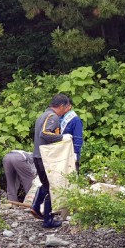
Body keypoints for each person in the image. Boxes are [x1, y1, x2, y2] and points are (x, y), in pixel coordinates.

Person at [31, 93, 72, 228]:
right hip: (45, 158)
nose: (66, 111)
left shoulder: (43, 115)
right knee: (51, 186)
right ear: (61, 106)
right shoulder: (53, 117)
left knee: (45, 183)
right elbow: (45, 133)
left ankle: (36, 206)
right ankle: (48, 219)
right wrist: (62, 137)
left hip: (37, 155)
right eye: (66, 108)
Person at [60, 100, 84, 172]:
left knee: (72, 173)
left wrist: (75, 153)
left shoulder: (75, 119)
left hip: (71, 151)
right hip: (61, 151)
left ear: (70, 106)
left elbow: (78, 138)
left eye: (65, 106)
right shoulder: (58, 117)